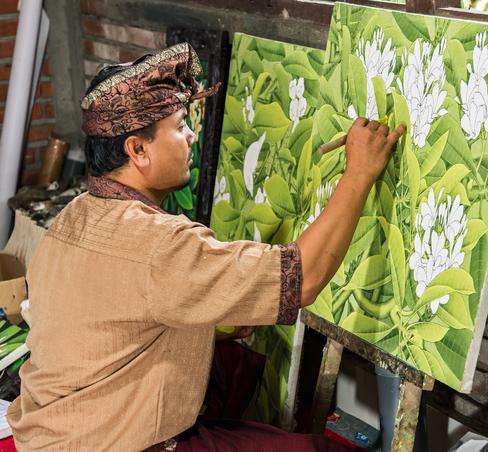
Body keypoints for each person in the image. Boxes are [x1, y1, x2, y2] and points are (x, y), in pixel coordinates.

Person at [7, 43, 402, 451]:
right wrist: (359, 173)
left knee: (226, 364)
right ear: (137, 150)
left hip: (48, 436)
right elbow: (302, 279)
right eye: (180, 126)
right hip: (107, 443)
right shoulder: (160, 245)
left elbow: (105, 322)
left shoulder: (73, 215)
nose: (192, 135)